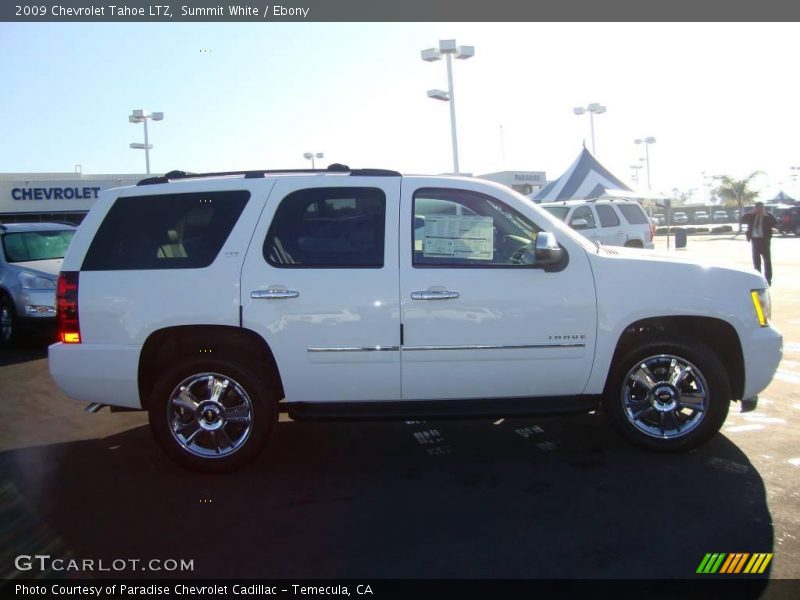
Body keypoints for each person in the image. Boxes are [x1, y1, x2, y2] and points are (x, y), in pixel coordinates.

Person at [740, 201, 777, 285]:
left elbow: (774, 223)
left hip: (764, 240)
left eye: (760, 207)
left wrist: (765, 215)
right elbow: (742, 220)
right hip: (755, 240)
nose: (759, 209)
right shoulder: (751, 216)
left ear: (763, 207)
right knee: (756, 261)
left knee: (767, 260)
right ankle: (758, 278)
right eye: (757, 208)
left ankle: (768, 279)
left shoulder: (767, 215)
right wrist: (750, 213)